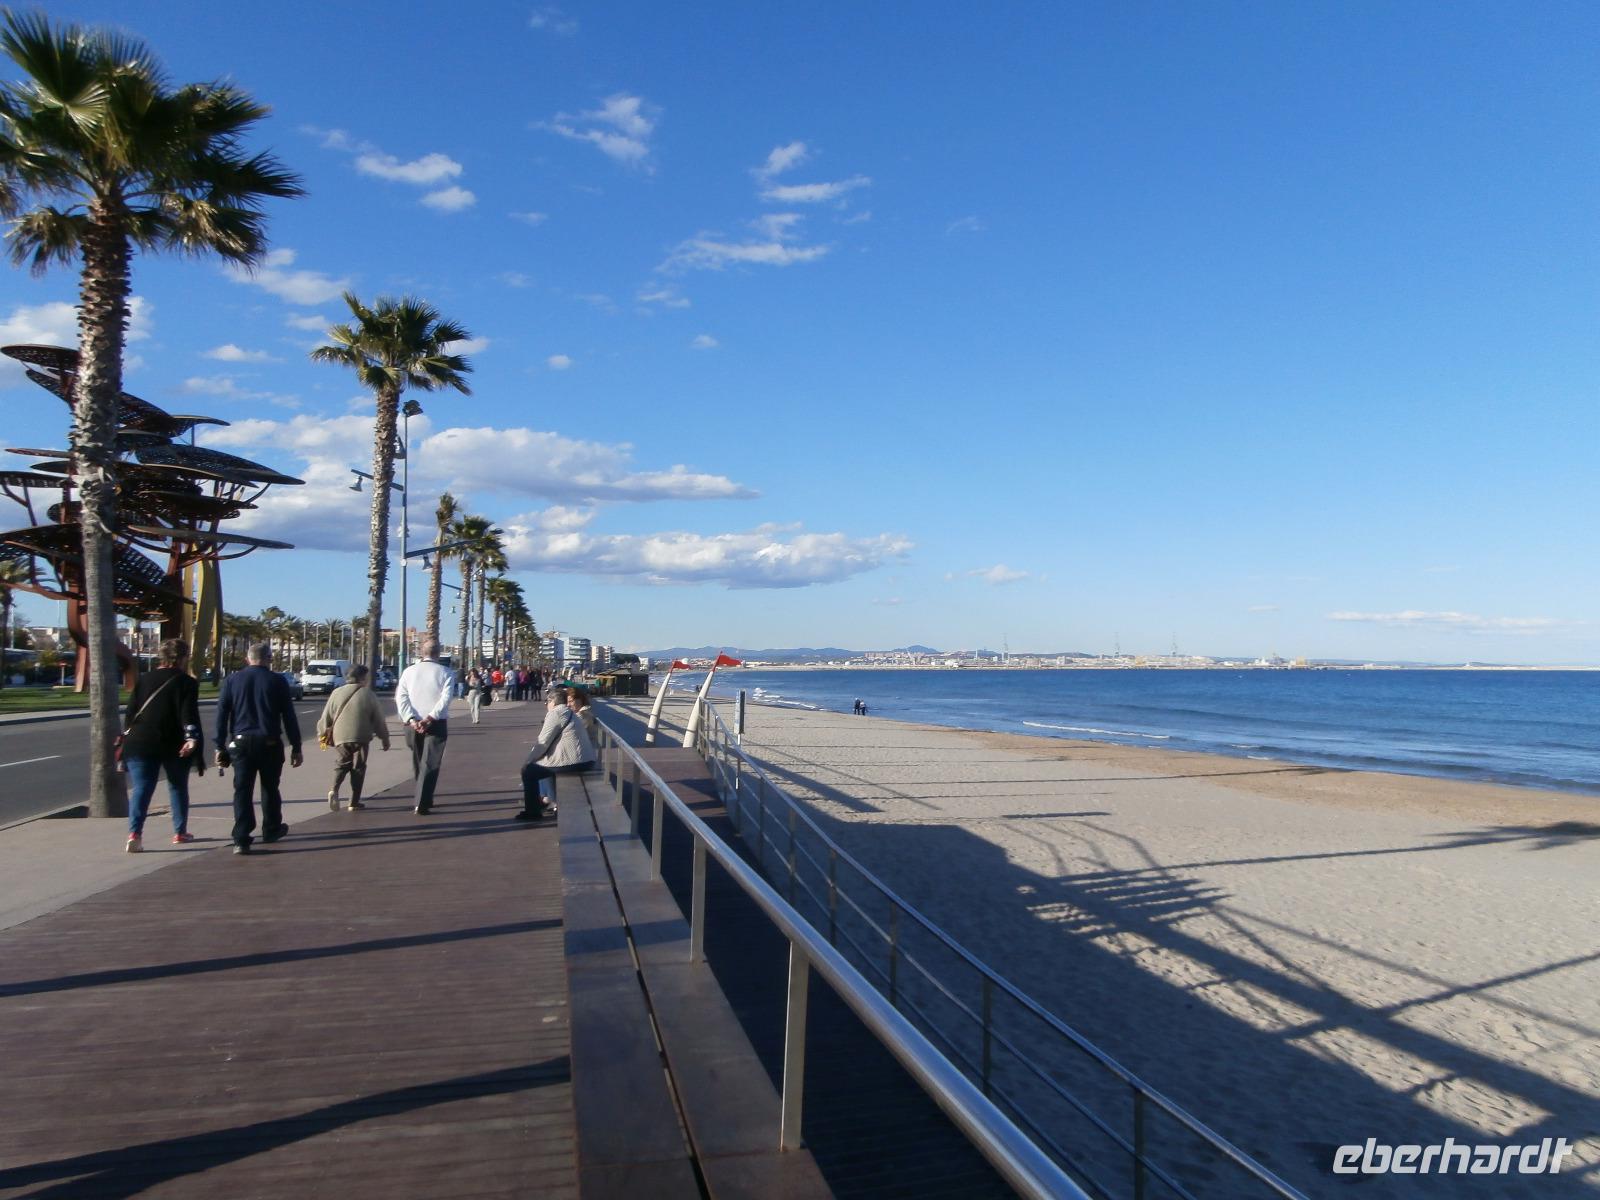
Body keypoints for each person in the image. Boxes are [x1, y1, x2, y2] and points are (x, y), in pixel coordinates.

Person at [214, 641, 302, 855]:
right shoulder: (277, 681)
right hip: (269, 742)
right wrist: (296, 746)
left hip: (241, 743)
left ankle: (241, 837)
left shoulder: (232, 680)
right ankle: (271, 828)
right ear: (269, 659)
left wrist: (219, 745)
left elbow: (222, 714)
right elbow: (288, 716)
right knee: (270, 788)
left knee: (242, 790)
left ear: (248, 659)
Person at [121, 637, 204, 852]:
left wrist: (126, 735)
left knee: (142, 788)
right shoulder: (186, 682)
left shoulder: (145, 679)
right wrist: (191, 738)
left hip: (140, 741)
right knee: (177, 786)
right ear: (184, 658)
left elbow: (130, 713)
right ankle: (179, 832)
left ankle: (135, 833)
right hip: (173, 742)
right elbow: (188, 714)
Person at [316, 663, 391, 811]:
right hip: (361, 736)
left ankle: (334, 788)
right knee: (358, 768)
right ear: (363, 678)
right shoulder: (368, 694)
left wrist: (322, 735)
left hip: (340, 736)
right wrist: (385, 738)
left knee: (343, 763)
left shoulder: (336, 693)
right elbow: (378, 720)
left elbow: (326, 717)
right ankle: (354, 801)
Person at [516, 685, 596, 820]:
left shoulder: (556, 713)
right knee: (543, 767)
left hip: (574, 761)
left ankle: (533, 812)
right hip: (586, 759)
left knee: (529, 772)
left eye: (547, 702)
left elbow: (543, 741)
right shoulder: (569, 712)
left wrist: (528, 761)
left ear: (553, 701)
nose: (546, 705)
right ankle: (547, 801)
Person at [397, 638, 456, 815]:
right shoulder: (446, 672)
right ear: (438, 653)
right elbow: (445, 699)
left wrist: (412, 719)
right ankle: (422, 800)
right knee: (430, 762)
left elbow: (401, 697)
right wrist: (429, 718)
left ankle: (422, 795)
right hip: (435, 723)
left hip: (411, 724)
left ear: (422, 653)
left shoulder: (408, 672)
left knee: (418, 760)